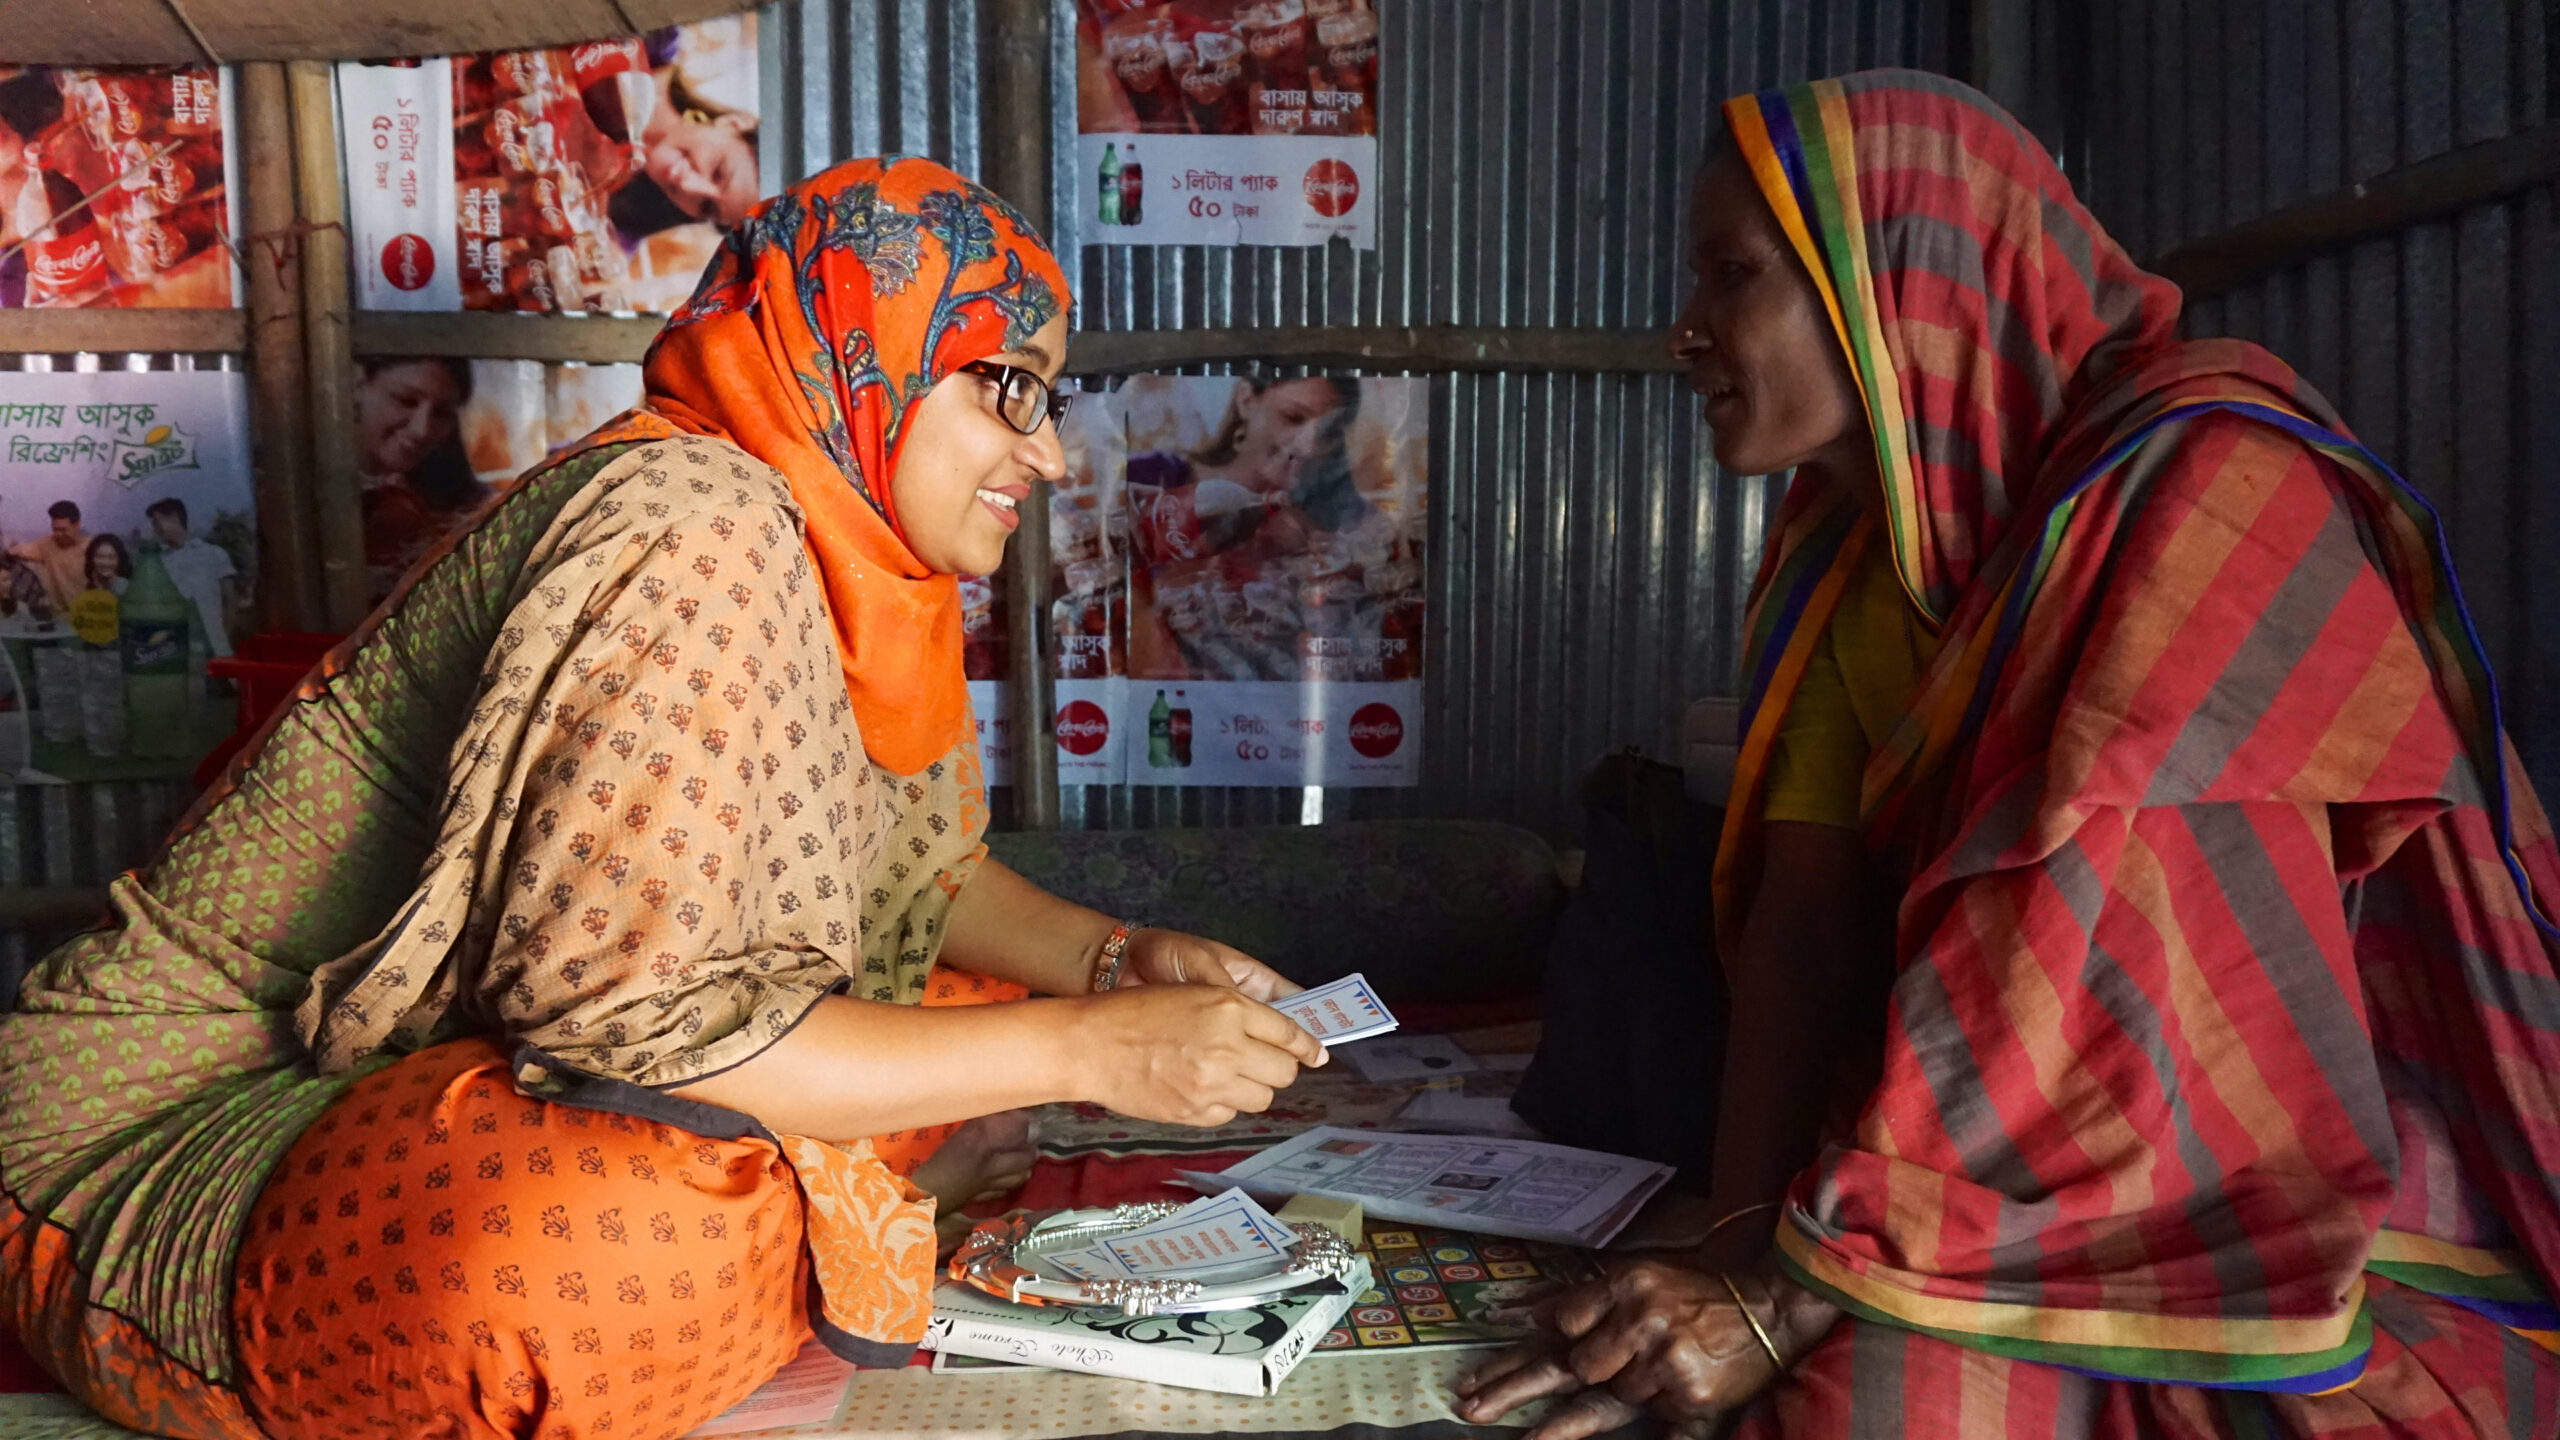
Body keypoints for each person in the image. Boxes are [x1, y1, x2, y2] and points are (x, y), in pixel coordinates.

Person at [0, 158, 1328, 1440]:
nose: (1045, 461)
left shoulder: (850, 561)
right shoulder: (692, 517)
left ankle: (851, 1175)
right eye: (1011, 392)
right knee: (583, 1261)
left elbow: (905, 882)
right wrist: (1091, 1051)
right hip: (172, 1140)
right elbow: (622, 1028)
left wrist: (1110, 964)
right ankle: (844, 1188)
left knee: (952, 1002)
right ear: (866, 349)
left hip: (469, 1062)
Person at [1456, 71, 2560, 1439]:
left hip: (2263, 1174)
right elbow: (1805, 928)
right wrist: (1739, 1249)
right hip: (1979, 1170)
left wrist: (1793, 1294)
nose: (1685, 331)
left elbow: (2095, 958)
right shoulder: (1847, 560)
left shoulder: (2203, 494)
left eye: (1732, 274)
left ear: (1902, 285)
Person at [1125, 376, 1378, 678]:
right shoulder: (1149, 480)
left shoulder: (1348, 520)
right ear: (1245, 400)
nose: (1308, 445)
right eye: (1293, 418)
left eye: (1328, 431)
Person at [353, 355, 491, 600]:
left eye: (441, 413)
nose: (422, 430)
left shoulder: (458, 501)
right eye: (405, 400)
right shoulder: (287, 490)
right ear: (359, 383)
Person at [144, 497, 237, 658]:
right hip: (175, 650)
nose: (155, 528)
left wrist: (224, 634)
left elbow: (230, 598)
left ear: (173, 518)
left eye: (157, 522)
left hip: (216, 647)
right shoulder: (157, 562)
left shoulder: (213, 554)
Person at [8, 499, 87, 611]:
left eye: (63, 530)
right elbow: (15, 550)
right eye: (55, 529)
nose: (59, 534)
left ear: (77, 525)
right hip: (58, 619)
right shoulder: (46, 544)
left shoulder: (92, 548)